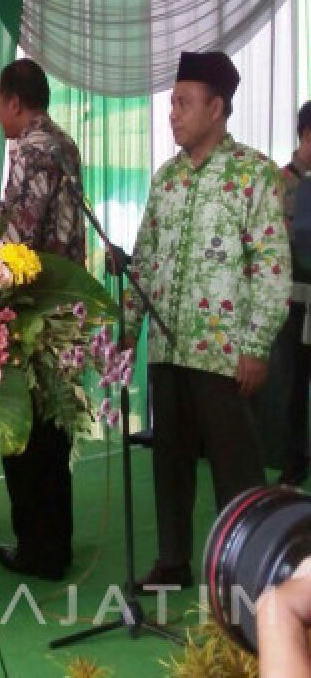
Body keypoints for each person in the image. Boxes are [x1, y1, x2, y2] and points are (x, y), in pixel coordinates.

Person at [126, 50, 290, 590]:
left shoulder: (254, 174)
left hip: (224, 355)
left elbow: (271, 264)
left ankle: (247, 570)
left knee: (235, 469)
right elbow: (144, 256)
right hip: (169, 350)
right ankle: (173, 562)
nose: (173, 113)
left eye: (184, 103)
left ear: (217, 107)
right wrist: (129, 330)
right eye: (172, 102)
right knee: (169, 462)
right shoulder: (166, 179)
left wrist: (258, 344)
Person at [0, 58, 85, 582]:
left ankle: (36, 548)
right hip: (66, 304)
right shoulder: (65, 144)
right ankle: (57, 543)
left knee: (26, 430)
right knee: (55, 428)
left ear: (13, 101)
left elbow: (21, 238)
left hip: (34, 308)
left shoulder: (29, 149)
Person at [277, 100, 311, 486]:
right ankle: (294, 461)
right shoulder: (279, 180)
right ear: (305, 135)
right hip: (292, 300)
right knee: (292, 385)